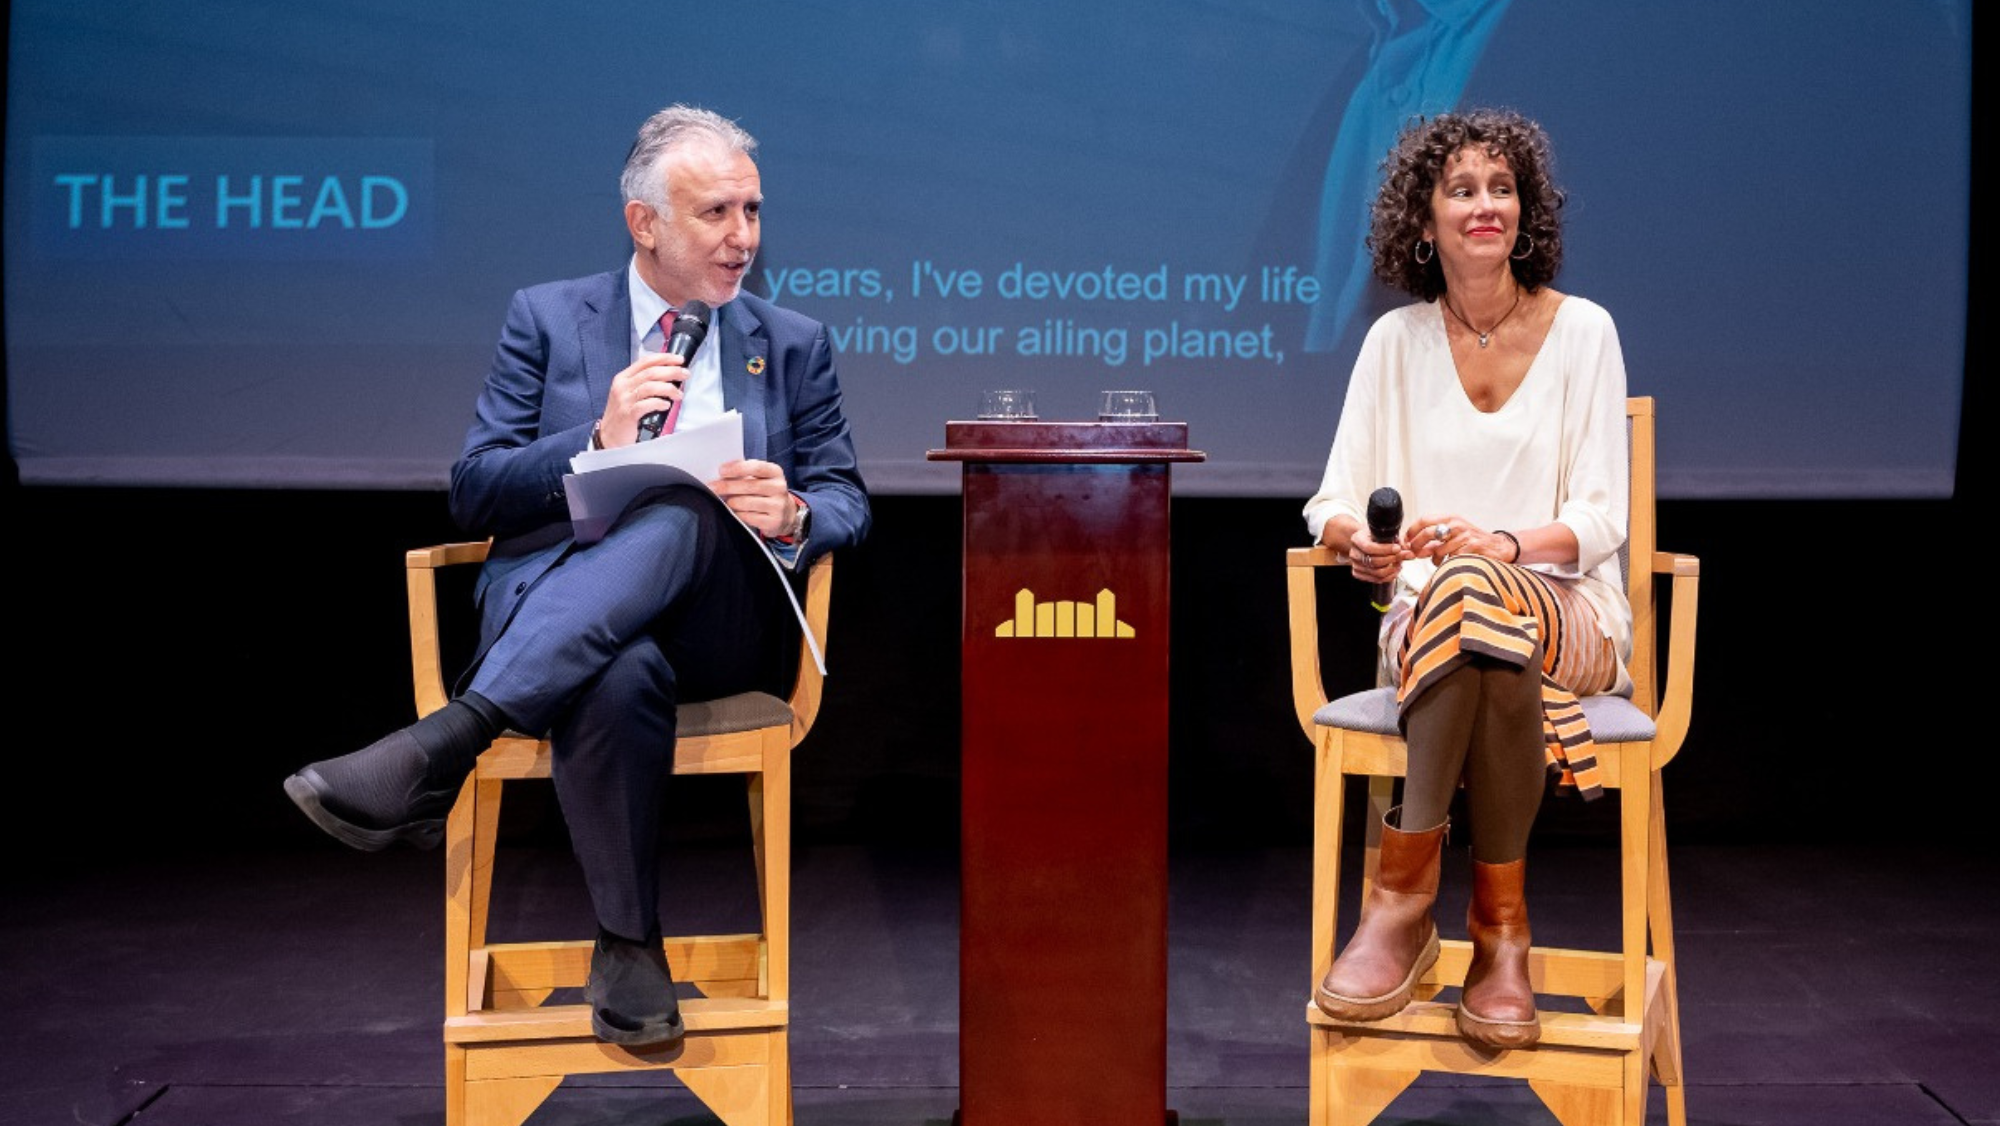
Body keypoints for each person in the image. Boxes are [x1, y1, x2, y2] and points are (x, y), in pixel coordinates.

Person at [283, 104, 871, 1049]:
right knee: (618, 665)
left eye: (753, 211)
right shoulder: (549, 318)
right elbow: (475, 492)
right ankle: (630, 946)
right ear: (645, 223)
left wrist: (795, 512)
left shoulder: (790, 339)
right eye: (717, 213)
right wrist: (592, 440)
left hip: (718, 622)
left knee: (685, 504)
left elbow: (847, 494)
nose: (743, 238)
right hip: (569, 618)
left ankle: (448, 742)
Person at [1302, 107, 1631, 1050]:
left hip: (1569, 612)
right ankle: (1500, 932)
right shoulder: (1393, 343)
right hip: (1441, 620)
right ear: (1424, 218)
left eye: (1502, 188)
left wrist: (1501, 545)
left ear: (1526, 212)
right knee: (1458, 603)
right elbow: (1333, 497)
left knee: (1469, 591)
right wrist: (1357, 544)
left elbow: (1603, 518)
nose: (1486, 206)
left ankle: (1401, 901)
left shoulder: (1586, 333)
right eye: (1463, 190)